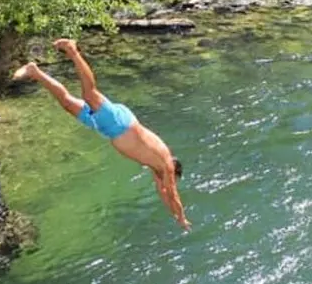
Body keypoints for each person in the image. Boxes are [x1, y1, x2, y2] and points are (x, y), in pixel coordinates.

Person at [11, 39, 191, 230]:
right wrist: (181, 218)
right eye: (171, 179)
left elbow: (163, 192)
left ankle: (34, 72)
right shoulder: (165, 165)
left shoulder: (157, 166)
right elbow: (171, 194)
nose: (166, 182)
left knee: (66, 103)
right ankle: (72, 50)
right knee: (89, 93)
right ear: (174, 168)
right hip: (120, 124)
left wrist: (172, 212)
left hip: (107, 128)